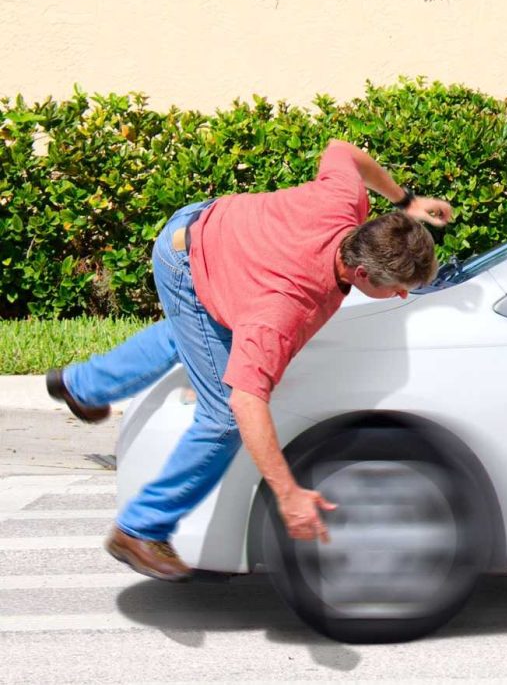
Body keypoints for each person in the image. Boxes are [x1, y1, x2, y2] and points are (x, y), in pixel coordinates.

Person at [46, 139, 452, 581]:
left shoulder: (344, 203)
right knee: (221, 415)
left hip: (213, 228)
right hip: (188, 261)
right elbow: (245, 402)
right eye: (395, 286)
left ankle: (81, 385)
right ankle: (140, 529)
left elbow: (342, 151)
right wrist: (289, 494)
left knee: (191, 334)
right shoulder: (283, 308)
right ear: (360, 272)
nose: (401, 296)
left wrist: (407, 201)